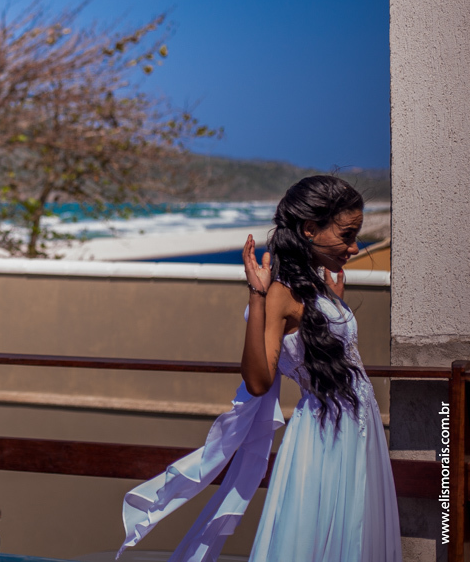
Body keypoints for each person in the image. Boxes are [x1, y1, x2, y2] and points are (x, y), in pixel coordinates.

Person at [118, 175, 402, 561]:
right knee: (319, 533)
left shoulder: (318, 287)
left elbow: (334, 352)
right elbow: (258, 380)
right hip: (324, 431)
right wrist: (257, 295)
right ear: (310, 229)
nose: (354, 247)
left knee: (353, 532)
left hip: (357, 425)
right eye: (347, 235)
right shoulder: (280, 292)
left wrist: (335, 304)